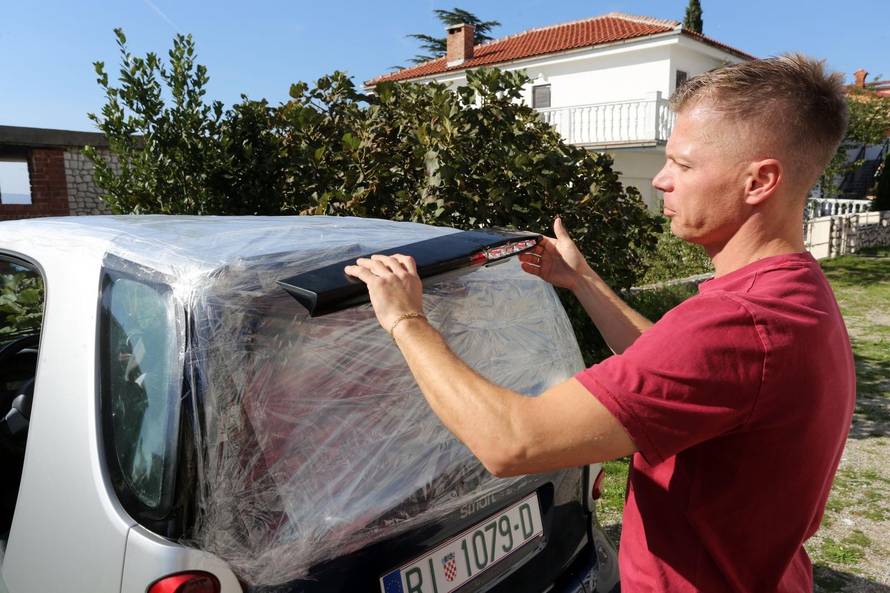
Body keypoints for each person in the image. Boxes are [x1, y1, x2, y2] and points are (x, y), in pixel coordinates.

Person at [344, 54, 855, 593]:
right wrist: (582, 280)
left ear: (760, 181)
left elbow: (513, 442)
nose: (661, 179)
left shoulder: (737, 321)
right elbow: (674, 366)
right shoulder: (793, 293)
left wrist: (405, 317)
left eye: (682, 165)